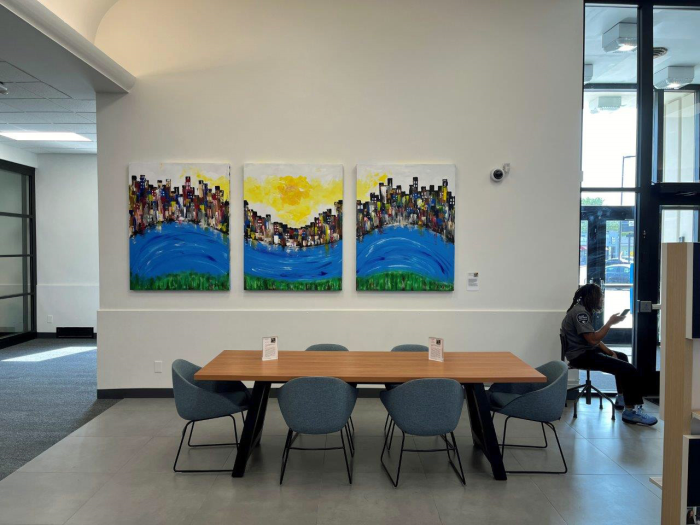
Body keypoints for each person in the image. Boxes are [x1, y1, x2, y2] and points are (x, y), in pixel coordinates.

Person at [561, 283, 657, 426]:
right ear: (592, 297)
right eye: (600, 296)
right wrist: (609, 323)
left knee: (622, 357)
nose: (602, 299)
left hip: (586, 351)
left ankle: (622, 398)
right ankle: (631, 412)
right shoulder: (580, 314)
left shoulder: (583, 310)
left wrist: (610, 352)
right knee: (629, 369)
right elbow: (593, 339)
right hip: (581, 356)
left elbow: (593, 338)